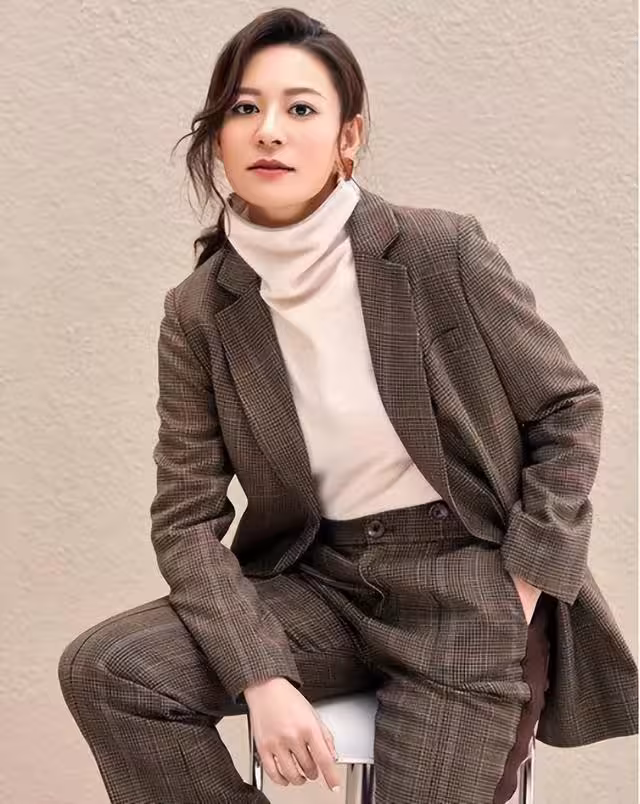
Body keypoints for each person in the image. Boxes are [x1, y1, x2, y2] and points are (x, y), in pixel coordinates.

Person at [58, 7, 637, 804]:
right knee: (110, 670)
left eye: (301, 108)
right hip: (318, 584)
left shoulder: (438, 251)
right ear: (218, 137)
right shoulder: (201, 311)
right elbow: (185, 522)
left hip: (466, 586)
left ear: (347, 138)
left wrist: (524, 586)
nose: (269, 130)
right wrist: (261, 675)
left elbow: (568, 409)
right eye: (245, 108)